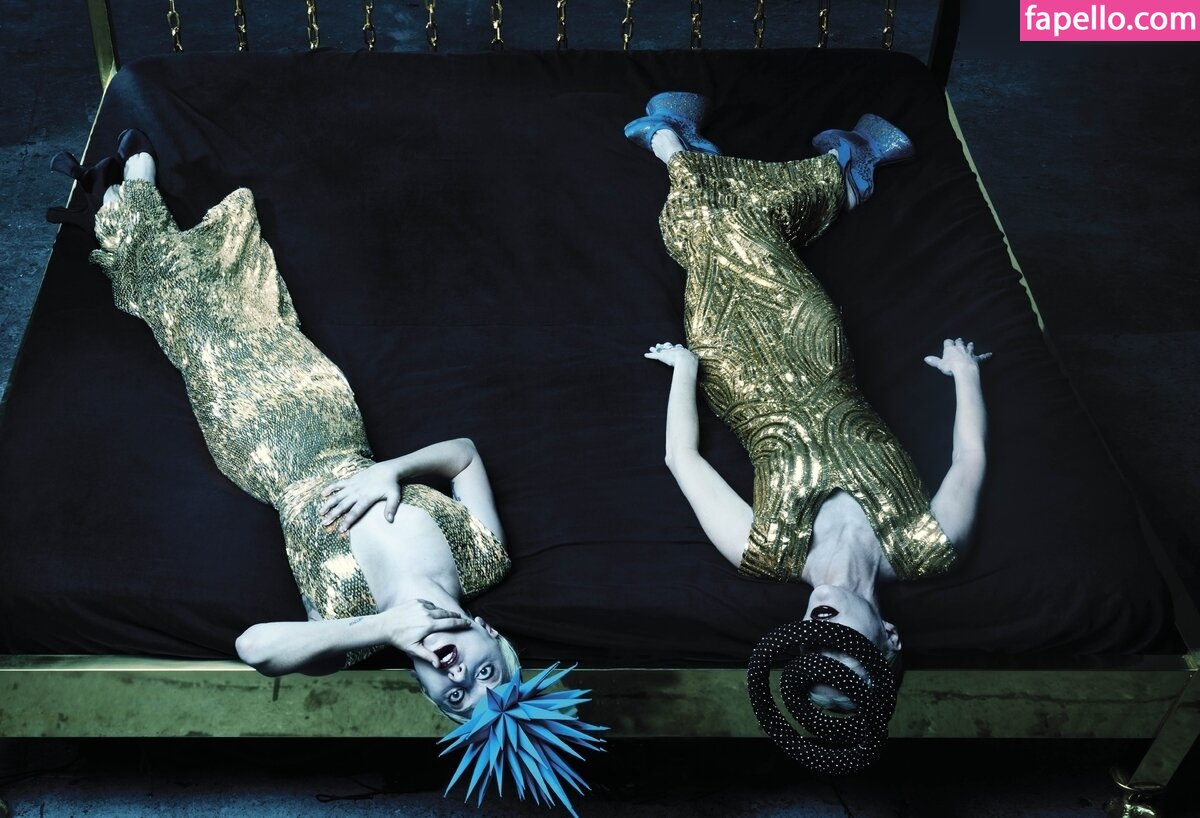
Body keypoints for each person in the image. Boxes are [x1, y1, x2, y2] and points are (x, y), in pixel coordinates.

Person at [48, 130, 518, 723]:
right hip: (328, 411)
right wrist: (390, 473)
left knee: (194, 326)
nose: (460, 676)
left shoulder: (346, 632)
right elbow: (465, 455)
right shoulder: (484, 559)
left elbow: (254, 647)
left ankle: (129, 199)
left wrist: (385, 625)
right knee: (256, 315)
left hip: (256, 443)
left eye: (453, 696)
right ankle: (118, 209)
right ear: (489, 633)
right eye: (485, 673)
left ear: (425, 689)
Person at [626, 94, 990, 703]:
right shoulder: (929, 547)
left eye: (808, 654)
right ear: (889, 639)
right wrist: (965, 374)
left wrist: (686, 369)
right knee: (721, 226)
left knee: (701, 232)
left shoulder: (764, 552)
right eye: (843, 654)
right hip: (817, 350)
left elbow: (681, 459)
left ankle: (818, 166)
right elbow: (970, 458)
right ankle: (737, 157)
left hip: (730, 365)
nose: (821, 635)